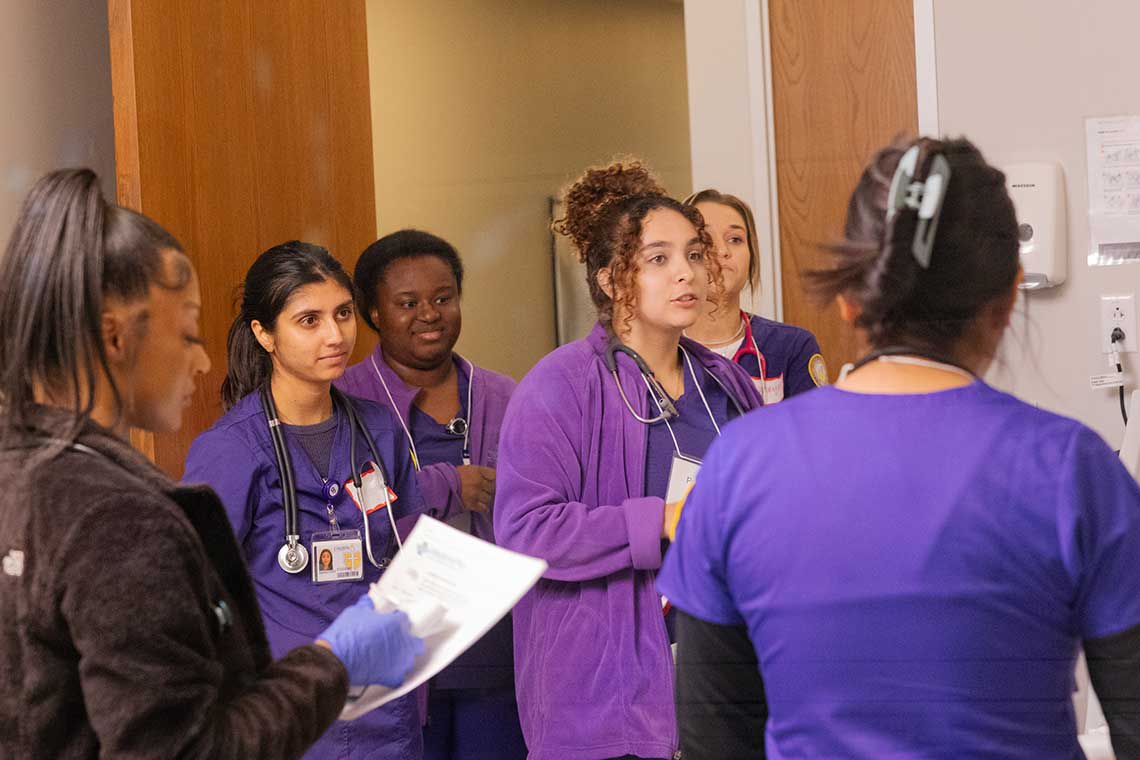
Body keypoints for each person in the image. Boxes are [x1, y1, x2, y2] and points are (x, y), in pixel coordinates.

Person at [658, 137, 1140, 759]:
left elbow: (716, 739)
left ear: (848, 295)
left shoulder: (738, 468)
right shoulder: (1073, 471)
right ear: (1009, 295)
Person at [0, 170, 423, 759]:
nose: (202, 362)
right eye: (187, 334)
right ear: (115, 337)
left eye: (344, 313)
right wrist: (336, 662)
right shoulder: (120, 517)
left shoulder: (20, 475)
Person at [493, 160, 763, 760]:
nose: (687, 273)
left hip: (718, 678)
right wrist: (661, 522)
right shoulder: (559, 386)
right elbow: (525, 531)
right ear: (614, 279)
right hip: (604, 704)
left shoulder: (724, 384)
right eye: (659, 259)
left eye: (694, 254)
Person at [183, 242, 427, 759]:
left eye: (342, 314)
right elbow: (197, 591)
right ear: (264, 333)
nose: (335, 335)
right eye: (309, 320)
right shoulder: (229, 449)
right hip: (290, 705)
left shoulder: (380, 428)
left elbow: (410, 546)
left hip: (386, 702)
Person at [338, 229, 526, 760]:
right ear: (374, 312)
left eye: (443, 298)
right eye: (408, 303)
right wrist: (446, 485)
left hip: (494, 652)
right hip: (395, 657)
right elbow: (336, 508)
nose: (429, 314)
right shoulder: (347, 399)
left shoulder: (503, 395)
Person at [682, 189, 826, 403]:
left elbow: (813, 432)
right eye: (706, 238)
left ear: (752, 256)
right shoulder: (659, 351)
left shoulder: (792, 347)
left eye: (735, 239)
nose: (722, 251)